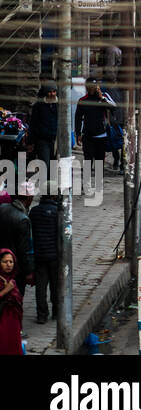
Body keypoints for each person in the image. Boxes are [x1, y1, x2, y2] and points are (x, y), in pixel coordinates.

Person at [29, 193, 58, 324]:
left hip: (39, 255)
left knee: (40, 287)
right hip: (55, 256)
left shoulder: (34, 212)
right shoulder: (58, 211)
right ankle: (57, 312)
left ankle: (42, 314)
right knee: (55, 285)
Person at [0, 182, 33, 299]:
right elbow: (24, 249)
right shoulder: (23, 219)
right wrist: (28, 272)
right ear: (29, 198)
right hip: (14, 265)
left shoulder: (2, 208)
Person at [74, 78, 115, 164]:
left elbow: (114, 107)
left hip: (101, 136)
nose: (92, 89)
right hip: (87, 137)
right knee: (88, 162)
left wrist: (102, 98)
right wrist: (78, 134)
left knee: (99, 164)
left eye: (93, 87)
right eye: (90, 87)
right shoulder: (83, 100)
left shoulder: (103, 97)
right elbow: (78, 118)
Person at [30, 84, 58, 167]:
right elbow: (33, 123)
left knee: (53, 165)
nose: (52, 94)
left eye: (54, 91)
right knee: (45, 164)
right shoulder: (38, 106)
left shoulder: (59, 105)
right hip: (43, 140)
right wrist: (30, 142)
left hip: (55, 140)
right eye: (49, 92)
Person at [0, 249, 21, 355]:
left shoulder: (11, 280)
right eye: (5, 262)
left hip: (13, 318)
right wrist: (6, 290)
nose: (8, 264)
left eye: (11, 262)